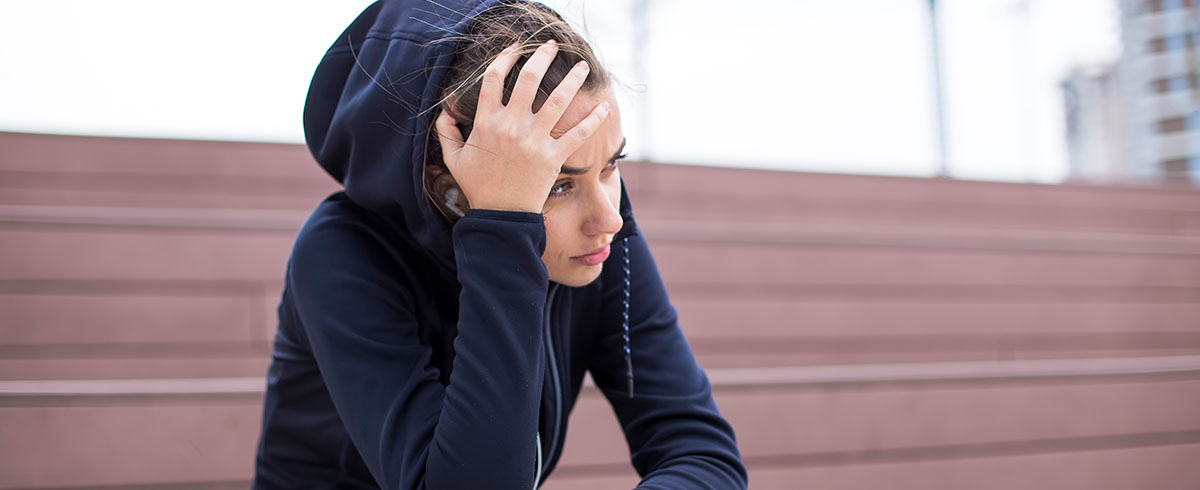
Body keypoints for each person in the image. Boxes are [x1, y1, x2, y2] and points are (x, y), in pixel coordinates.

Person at [252, 0, 747, 488]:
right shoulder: (341, 253)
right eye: (557, 184)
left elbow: (703, 454)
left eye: (611, 165)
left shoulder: (594, 238)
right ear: (445, 177)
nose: (610, 219)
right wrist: (504, 230)